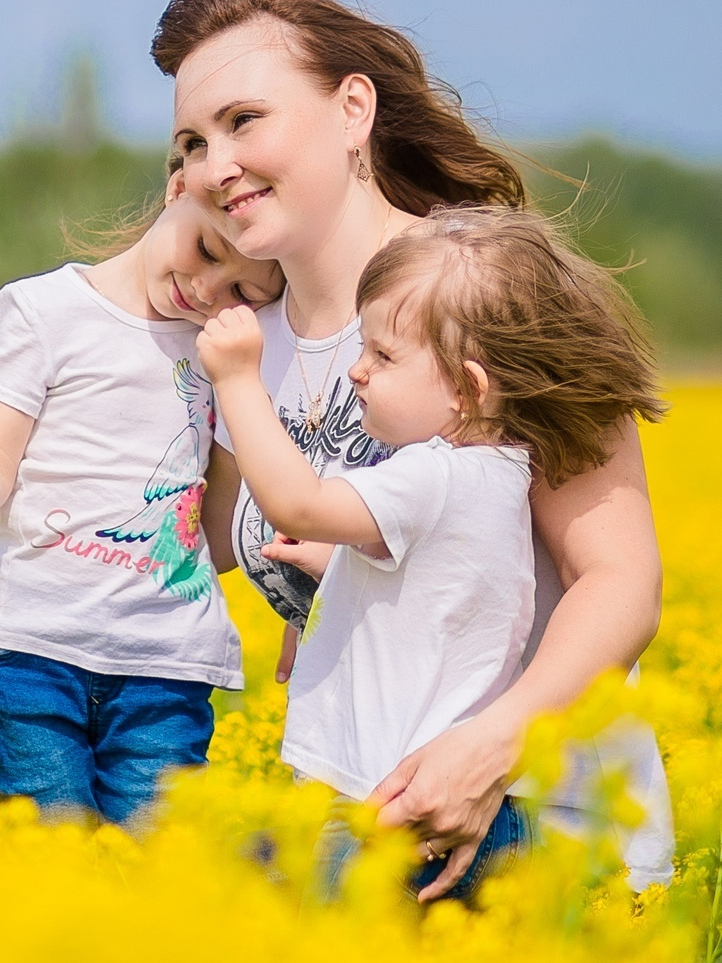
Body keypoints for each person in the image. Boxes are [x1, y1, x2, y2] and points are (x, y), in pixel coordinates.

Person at [0, 0, 675, 898]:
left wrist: (492, 749)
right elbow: (172, 528)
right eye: (192, 142)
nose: (214, 165)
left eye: (243, 120)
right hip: (367, 833)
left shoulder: (483, 290)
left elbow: (621, 581)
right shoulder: (233, 345)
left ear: (353, 110)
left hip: (537, 823)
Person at [198, 207, 666, 901]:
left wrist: (239, 378)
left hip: (402, 801)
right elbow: (456, 591)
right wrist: (343, 574)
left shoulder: (434, 472)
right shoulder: (500, 475)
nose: (357, 372)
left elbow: (297, 503)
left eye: (382, 357)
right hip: (440, 800)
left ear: (468, 389)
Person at [0, 179, 284, 830]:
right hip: (31, 655)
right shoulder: (41, 311)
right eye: (209, 250)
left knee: (160, 866)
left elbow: (215, 535)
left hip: (167, 667)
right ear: (178, 186)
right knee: (49, 857)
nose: (210, 290)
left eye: (244, 292)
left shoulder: (233, 354)